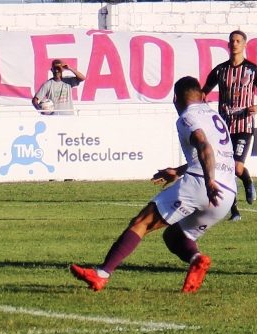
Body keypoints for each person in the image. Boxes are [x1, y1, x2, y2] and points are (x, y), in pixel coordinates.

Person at [69, 76, 236, 294]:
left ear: (175, 99)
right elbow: (214, 153)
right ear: (203, 96)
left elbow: (203, 144)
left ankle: (102, 274)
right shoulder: (216, 116)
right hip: (227, 194)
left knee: (141, 222)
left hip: (202, 184)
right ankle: (196, 259)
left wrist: (208, 180)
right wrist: (178, 171)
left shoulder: (188, 117)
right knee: (176, 236)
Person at [201, 30, 257, 220]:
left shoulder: (252, 70)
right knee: (225, 168)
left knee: (237, 167)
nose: (234, 44)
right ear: (228, 44)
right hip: (223, 127)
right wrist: (203, 107)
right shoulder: (220, 70)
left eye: (238, 41)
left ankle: (248, 183)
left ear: (244, 45)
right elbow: (203, 92)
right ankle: (234, 211)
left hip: (244, 125)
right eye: (232, 41)